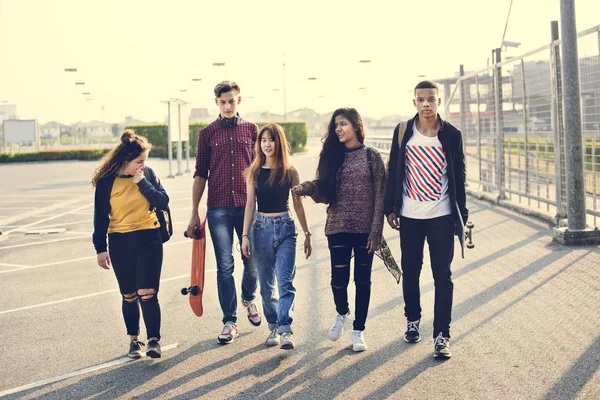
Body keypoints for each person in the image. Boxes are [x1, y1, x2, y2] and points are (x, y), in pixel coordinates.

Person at [384, 80, 468, 359]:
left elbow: (460, 178)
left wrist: (462, 217)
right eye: (421, 100)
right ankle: (412, 320)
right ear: (414, 103)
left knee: (442, 275)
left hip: (442, 216)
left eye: (431, 99)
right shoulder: (403, 132)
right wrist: (390, 208)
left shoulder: (452, 135)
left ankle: (442, 335)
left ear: (439, 102)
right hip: (410, 215)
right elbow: (394, 171)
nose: (426, 104)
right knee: (411, 271)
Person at [292, 108, 385, 352]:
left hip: (365, 229)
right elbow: (324, 191)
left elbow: (380, 196)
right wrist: (309, 187)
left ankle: (358, 331)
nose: (339, 129)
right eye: (336, 126)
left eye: (343, 124)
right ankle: (342, 313)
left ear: (356, 125)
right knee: (338, 281)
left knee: (363, 281)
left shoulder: (371, 157)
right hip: (338, 225)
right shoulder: (332, 156)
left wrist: (376, 230)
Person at [188, 80, 261, 344]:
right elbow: (200, 174)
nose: (228, 106)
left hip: (247, 207)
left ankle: (249, 299)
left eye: (232, 101)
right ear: (216, 103)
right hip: (218, 208)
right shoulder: (207, 134)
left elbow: (260, 170)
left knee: (252, 263)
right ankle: (229, 321)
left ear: (238, 101)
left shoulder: (252, 130)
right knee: (224, 266)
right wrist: (194, 212)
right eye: (223, 102)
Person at [92, 129, 169, 359]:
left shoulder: (148, 175)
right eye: (139, 162)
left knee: (148, 292)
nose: (142, 166)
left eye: (144, 161)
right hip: (120, 241)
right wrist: (100, 248)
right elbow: (100, 217)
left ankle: (154, 340)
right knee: (129, 295)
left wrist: (142, 182)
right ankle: (134, 341)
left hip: (149, 238)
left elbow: (163, 201)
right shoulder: (107, 182)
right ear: (125, 161)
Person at [241, 123, 312, 350]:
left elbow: (298, 205)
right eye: (263, 140)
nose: (267, 144)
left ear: (279, 142)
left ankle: (286, 329)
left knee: (285, 282)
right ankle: (273, 325)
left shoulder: (290, 172)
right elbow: (250, 204)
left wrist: (307, 232)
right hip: (260, 229)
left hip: (285, 229)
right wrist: (245, 235)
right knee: (266, 286)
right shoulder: (253, 171)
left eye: (271, 140)